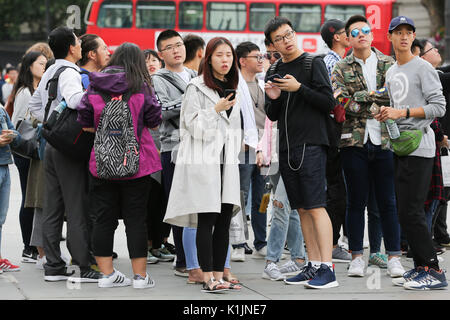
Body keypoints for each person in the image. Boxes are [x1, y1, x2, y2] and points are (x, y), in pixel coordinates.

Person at [77, 42, 162, 289]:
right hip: (138, 162)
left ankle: (107, 275)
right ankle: (140, 277)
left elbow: (84, 122)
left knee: (103, 218)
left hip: (101, 162)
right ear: (137, 61)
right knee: (136, 219)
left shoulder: (94, 84)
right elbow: (154, 121)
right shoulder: (141, 86)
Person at [264, 16, 338, 289]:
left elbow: (327, 101)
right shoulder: (273, 69)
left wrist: (299, 88)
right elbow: (273, 114)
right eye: (279, 38)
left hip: (312, 143)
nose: (286, 40)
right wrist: (273, 99)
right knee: (302, 208)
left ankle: (328, 268)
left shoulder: (312, 63)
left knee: (316, 206)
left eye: (288, 34)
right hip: (286, 145)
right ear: (272, 45)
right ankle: (313, 264)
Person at [164, 36, 242, 293]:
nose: (225, 60)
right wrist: (216, 110)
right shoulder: (196, 87)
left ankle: (220, 274)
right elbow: (192, 126)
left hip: (226, 163)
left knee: (223, 222)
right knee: (207, 220)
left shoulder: (234, 87)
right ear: (208, 59)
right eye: (219, 55)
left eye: (229, 56)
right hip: (204, 164)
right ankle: (207, 276)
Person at [375, 16, 447, 290]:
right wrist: (386, 114)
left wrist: (402, 112)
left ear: (413, 37)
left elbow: (438, 107)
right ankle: (420, 267)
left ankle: (434, 271)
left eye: (409, 32)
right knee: (405, 212)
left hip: (422, 147)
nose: (404, 37)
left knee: (413, 211)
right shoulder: (392, 72)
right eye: (398, 32)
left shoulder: (423, 68)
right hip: (400, 145)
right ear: (390, 37)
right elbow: (396, 107)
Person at [332, 15, 404, 278]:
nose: (361, 34)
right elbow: (342, 102)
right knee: (355, 203)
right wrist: (374, 97)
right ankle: (356, 257)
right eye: (355, 32)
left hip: (385, 141)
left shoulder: (388, 62)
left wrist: (360, 98)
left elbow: (394, 94)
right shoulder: (340, 67)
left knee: (388, 202)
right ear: (348, 39)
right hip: (354, 142)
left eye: (365, 30)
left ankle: (394, 256)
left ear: (372, 36)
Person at [28, 26, 100, 282]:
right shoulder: (69, 72)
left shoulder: (50, 70)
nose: (81, 46)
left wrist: (49, 122)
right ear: (71, 48)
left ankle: (54, 266)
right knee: (76, 206)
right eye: (78, 43)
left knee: (53, 206)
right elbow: (76, 101)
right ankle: (84, 265)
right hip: (68, 148)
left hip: (51, 144)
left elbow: (35, 105)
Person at [152, 29, 197, 278]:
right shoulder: (158, 78)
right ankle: (181, 258)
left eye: (179, 45)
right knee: (178, 203)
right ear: (161, 54)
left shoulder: (194, 74)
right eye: (170, 47)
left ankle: (193, 256)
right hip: (173, 147)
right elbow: (162, 110)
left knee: (196, 202)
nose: (176, 50)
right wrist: (193, 100)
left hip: (198, 146)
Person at [9, 51, 47, 264]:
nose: (43, 67)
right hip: (26, 151)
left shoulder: (39, 89)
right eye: (40, 64)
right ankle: (28, 247)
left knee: (33, 198)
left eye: (45, 64)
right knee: (28, 199)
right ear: (29, 67)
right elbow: (18, 123)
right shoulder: (25, 92)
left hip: (33, 150)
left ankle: (33, 246)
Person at [319, 19, 352, 263]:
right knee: (336, 189)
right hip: (335, 130)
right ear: (337, 37)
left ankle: (332, 242)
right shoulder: (334, 63)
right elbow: (337, 99)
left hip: (335, 130)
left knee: (337, 189)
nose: (351, 36)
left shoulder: (333, 61)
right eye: (347, 33)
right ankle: (330, 243)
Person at [234, 41, 269, 260]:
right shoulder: (235, 87)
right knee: (239, 196)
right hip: (243, 148)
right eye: (257, 56)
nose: (261, 60)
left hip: (265, 149)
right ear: (243, 61)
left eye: (262, 56)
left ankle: (261, 241)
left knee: (263, 197)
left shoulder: (266, 85)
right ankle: (238, 242)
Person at [417, 39, 450, 249]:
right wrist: (441, 136)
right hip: (432, 141)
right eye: (432, 49)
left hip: (439, 140)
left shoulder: (436, 74)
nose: (437, 50)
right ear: (422, 57)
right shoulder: (431, 77)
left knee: (442, 190)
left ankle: (439, 234)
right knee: (434, 194)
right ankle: (426, 239)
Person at [0, 107, 21, 272]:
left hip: (5, 165)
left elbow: (15, 133)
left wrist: (12, 135)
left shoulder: (0, 108)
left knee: (0, 218)